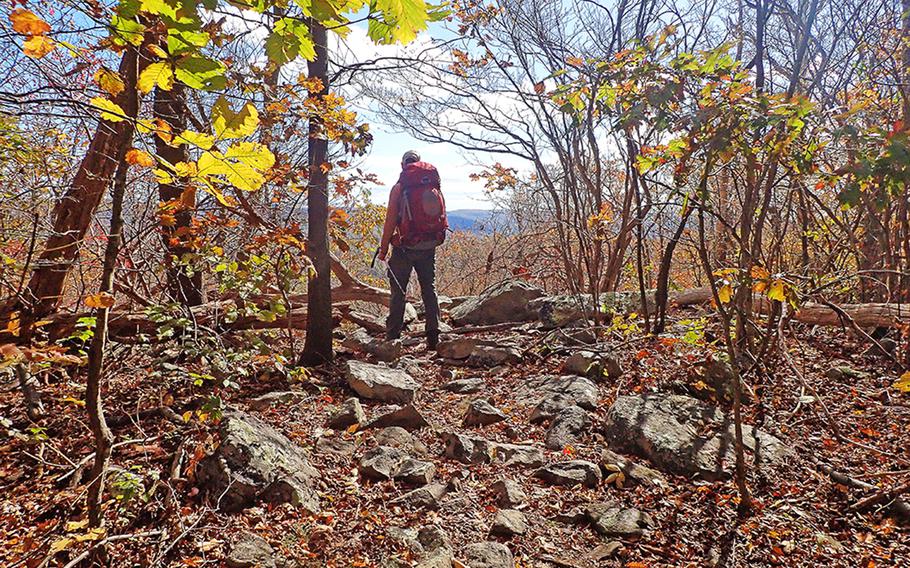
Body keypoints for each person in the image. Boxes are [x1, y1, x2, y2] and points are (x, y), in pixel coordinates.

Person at [379, 150, 447, 350]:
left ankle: (392, 338)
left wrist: (383, 249)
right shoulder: (433, 184)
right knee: (429, 289)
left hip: (404, 246)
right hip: (428, 244)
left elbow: (390, 221)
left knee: (399, 291)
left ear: (403, 165)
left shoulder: (399, 188)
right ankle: (433, 336)